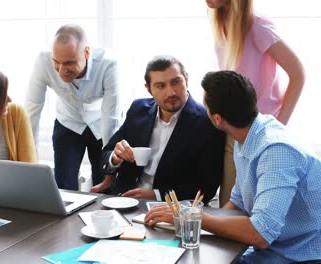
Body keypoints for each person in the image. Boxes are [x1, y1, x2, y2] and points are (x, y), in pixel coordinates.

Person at [146, 71, 321, 263]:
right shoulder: (246, 135)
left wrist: (192, 216)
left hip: (300, 255)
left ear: (218, 119)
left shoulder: (276, 151)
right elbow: (237, 204)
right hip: (270, 250)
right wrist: (185, 222)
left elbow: (260, 234)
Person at [206, 0, 305, 205]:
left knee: (258, 211)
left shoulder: (257, 26)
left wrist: (280, 124)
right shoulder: (216, 18)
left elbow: (298, 72)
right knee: (229, 204)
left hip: (261, 133)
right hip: (232, 131)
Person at [99, 55, 225, 203]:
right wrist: (115, 157)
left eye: (176, 82)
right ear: (148, 89)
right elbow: (106, 154)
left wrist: (157, 195)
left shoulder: (207, 122)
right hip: (123, 200)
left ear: (187, 79)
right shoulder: (138, 110)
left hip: (169, 208)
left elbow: (207, 187)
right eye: (160, 86)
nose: (171, 92)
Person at [25, 24, 121, 190]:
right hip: (67, 122)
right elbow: (32, 112)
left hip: (101, 125)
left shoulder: (108, 65)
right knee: (64, 187)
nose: (62, 71)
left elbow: (110, 117)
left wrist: (110, 170)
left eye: (69, 63)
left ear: (86, 53)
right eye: (57, 62)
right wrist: (30, 164)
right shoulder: (43, 61)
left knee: (103, 185)